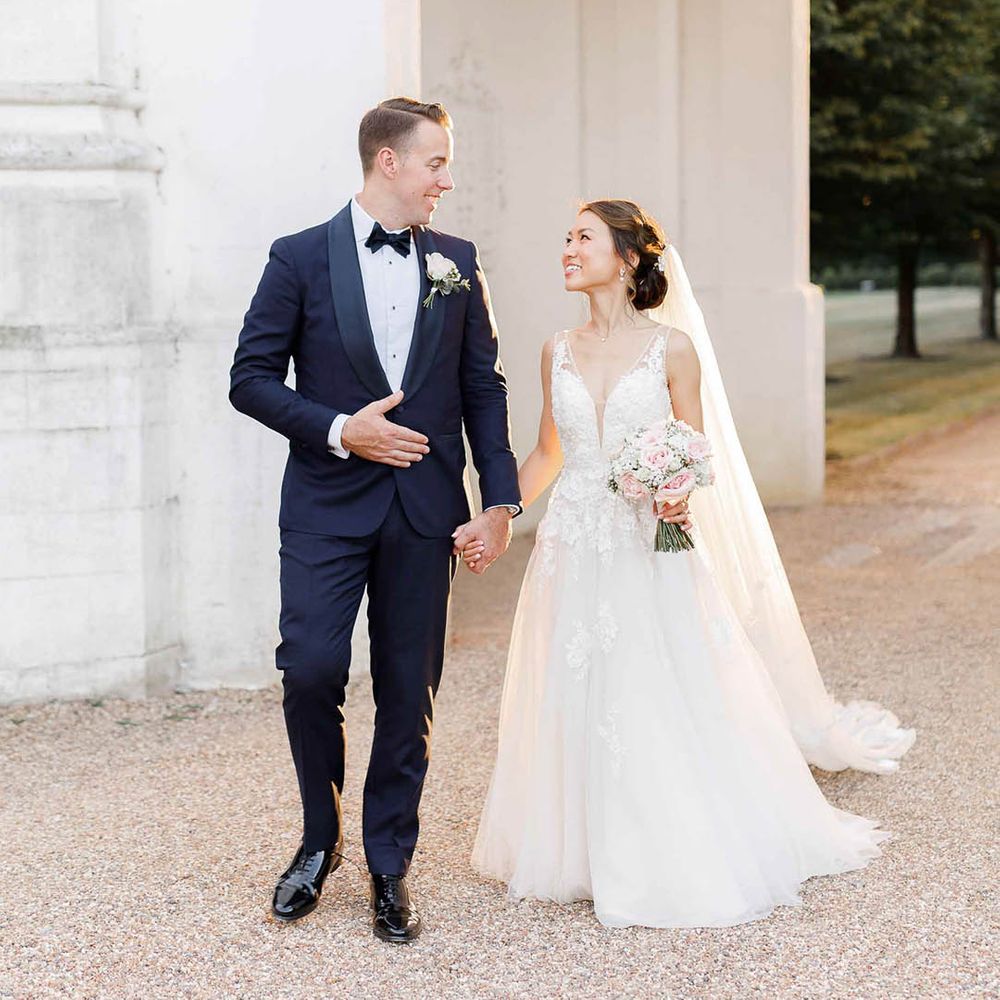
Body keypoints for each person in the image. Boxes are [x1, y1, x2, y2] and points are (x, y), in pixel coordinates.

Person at [460, 199, 914, 928]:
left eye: (583, 238)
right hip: (575, 542)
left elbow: (694, 455)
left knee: (650, 681)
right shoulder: (556, 348)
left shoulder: (673, 351)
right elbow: (550, 453)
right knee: (574, 682)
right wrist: (500, 512)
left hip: (647, 544)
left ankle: (659, 845)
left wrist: (676, 494)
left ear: (628, 257)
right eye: (566, 239)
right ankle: (579, 846)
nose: (567, 249)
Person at [229, 97, 521, 942]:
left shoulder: (459, 262)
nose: (447, 179)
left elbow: (483, 391)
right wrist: (336, 428)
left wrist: (497, 501)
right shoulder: (297, 258)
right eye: (436, 162)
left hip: (425, 512)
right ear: (387, 161)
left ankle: (390, 861)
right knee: (311, 669)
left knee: (409, 692)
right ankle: (319, 843)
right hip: (325, 505)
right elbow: (250, 379)